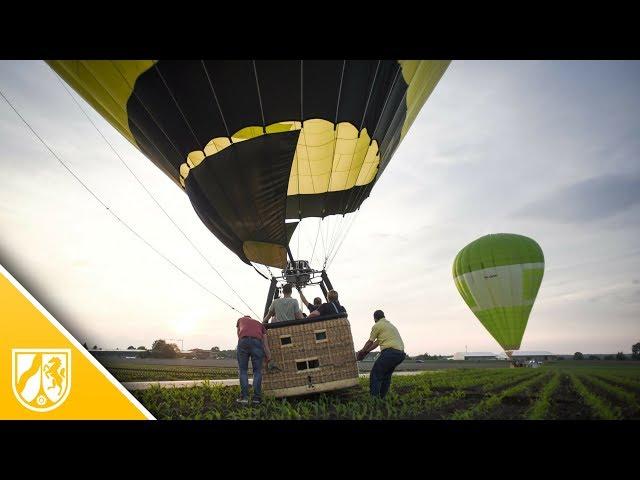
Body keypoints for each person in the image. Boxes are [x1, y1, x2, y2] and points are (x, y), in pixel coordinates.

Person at [356, 310, 406, 398]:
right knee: (386, 375)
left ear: (375, 318)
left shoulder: (377, 325)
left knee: (375, 374)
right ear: (383, 316)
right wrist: (367, 351)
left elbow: (370, 342)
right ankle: (382, 397)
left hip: (390, 352)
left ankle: (374, 398)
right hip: (400, 354)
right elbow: (377, 343)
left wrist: (361, 352)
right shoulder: (390, 326)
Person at [236, 315, 271, 404]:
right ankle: (256, 398)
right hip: (257, 342)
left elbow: (238, 334)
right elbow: (265, 342)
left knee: (243, 370)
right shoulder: (260, 324)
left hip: (243, 341)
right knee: (257, 371)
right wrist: (268, 355)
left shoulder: (240, 320)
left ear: (245, 317)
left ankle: (244, 398)